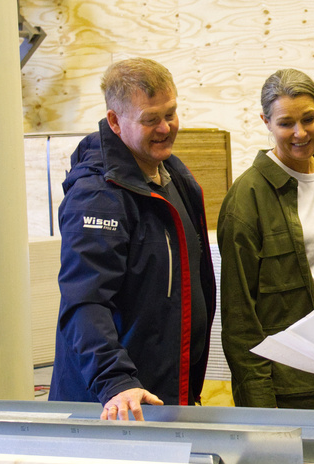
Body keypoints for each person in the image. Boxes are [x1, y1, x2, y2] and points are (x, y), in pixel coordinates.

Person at [50, 58, 215, 421]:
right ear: (115, 122)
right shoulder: (98, 196)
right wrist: (115, 381)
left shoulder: (172, 176)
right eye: (150, 119)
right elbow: (85, 303)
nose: (166, 128)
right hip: (115, 405)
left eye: (171, 114)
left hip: (161, 395)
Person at [218, 68, 314, 410]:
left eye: (309, 118)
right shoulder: (246, 199)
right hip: (288, 384)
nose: (300, 133)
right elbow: (239, 316)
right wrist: (259, 404)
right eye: (286, 123)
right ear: (266, 122)